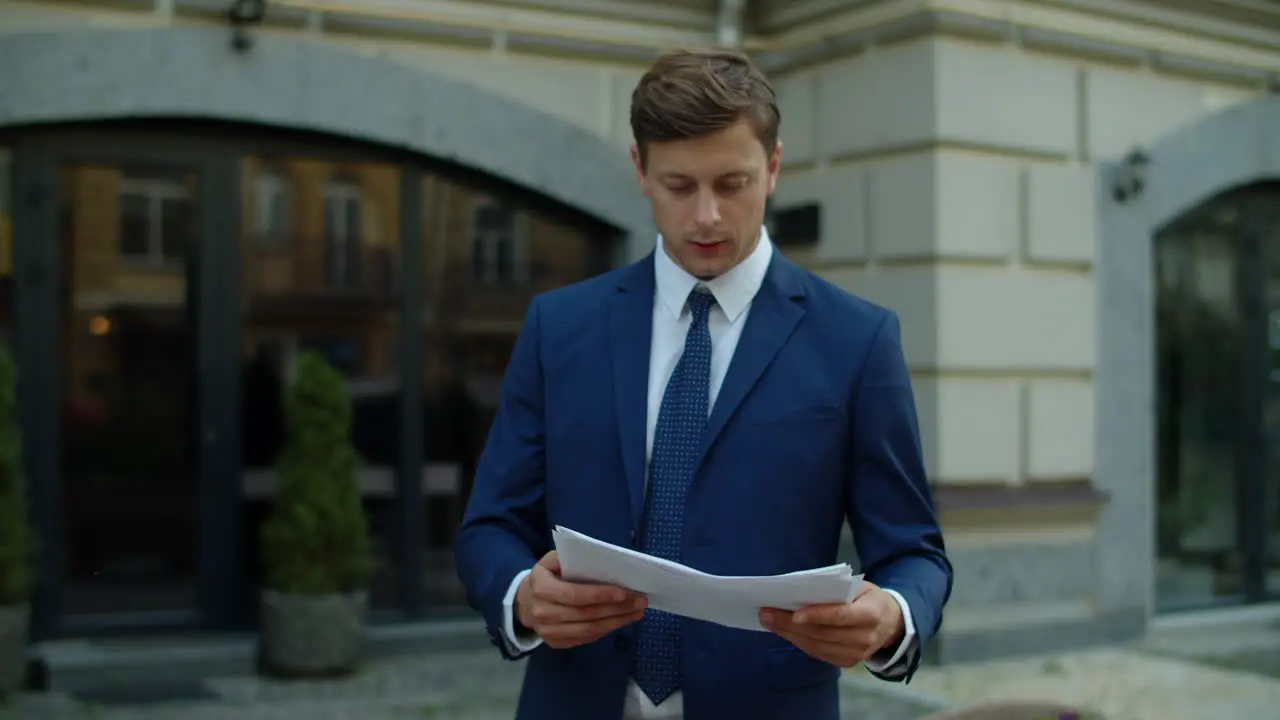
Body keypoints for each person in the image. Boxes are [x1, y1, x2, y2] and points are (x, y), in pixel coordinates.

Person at [455, 47, 952, 720]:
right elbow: (489, 526)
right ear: (640, 170)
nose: (707, 217)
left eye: (732, 183)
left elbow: (914, 553)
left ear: (773, 168)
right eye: (679, 186)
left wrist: (891, 616)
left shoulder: (857, 341)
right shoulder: (559, 327)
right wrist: (520, 595)